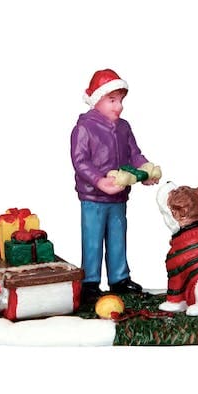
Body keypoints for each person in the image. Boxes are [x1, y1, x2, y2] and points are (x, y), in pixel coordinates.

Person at [71, 68, 160, 303]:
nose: (118, 106)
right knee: (92, 238)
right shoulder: (84, 127)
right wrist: (99, 181)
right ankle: (90, 282)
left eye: (120, 100)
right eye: (112, 100)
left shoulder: (124, 127)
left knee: (118, 237)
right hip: (93, 197)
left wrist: (145, 169)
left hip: (119, 196)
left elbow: (134, 154)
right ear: (97, 100)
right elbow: (80, 161)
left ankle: (119, 278)